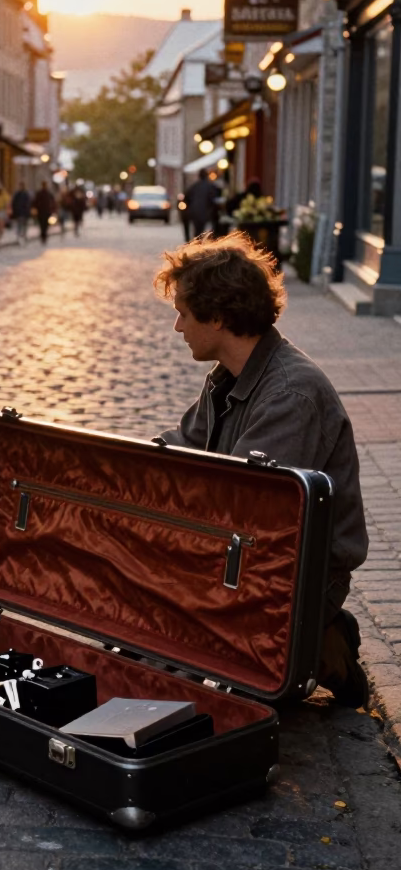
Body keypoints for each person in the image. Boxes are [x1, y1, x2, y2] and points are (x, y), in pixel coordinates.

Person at [154, 231, 369, 707]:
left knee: (233, 681)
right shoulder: (229, 375)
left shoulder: (291, 394)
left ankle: (321, 642)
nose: (177, 328)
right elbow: (185, 444)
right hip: (253, 552)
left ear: (218, 316)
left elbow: (243, 512)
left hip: (299, 572)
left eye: (183, 314)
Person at [184, 168, 220, 236]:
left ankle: (197, 241)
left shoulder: (195, 186)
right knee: (203, 230)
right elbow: (213, 198)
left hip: (195, 212)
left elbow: (186, 196)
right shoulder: (210, 186)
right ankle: (199, 241)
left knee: (198, 230)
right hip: (205, 212)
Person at [32, 180, 56, 245]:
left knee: (45, 225)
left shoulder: (48, 193)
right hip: (41, 212)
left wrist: (53, 210)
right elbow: (35, 202)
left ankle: (44, 236)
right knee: (42, 225)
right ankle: (43, 236)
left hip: (47, 212)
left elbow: (53, 202)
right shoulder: (40, 193)